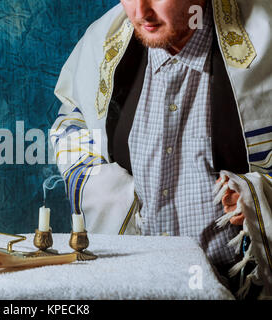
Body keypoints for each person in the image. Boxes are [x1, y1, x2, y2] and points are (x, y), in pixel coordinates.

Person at [50, 0, 271, 299]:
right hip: (134, 287)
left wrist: (258, 196)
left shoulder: (265, 37)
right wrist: (104, 190)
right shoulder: (105, 39)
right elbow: (73, 118)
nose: (140, 12)